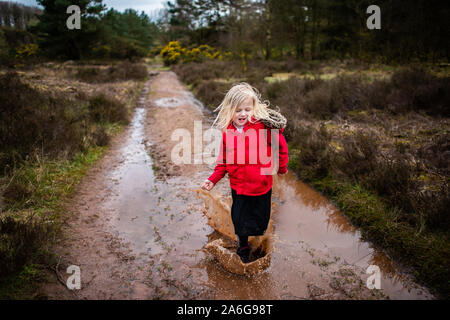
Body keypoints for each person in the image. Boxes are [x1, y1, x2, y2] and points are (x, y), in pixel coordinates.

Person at [201, 82, 289, 263]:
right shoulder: (228, 133)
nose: (242, 114)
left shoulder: (263, 127)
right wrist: (213, 179)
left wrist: (281, 167)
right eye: (237, 110)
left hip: (262, 186)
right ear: (229, 110)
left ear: (254, 109)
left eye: (247, 109)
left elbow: (281, 147)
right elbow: (223, 162)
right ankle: (243, 246)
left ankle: (257, 238)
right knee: (240, 222)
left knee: (260, 222)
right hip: (239, 188)